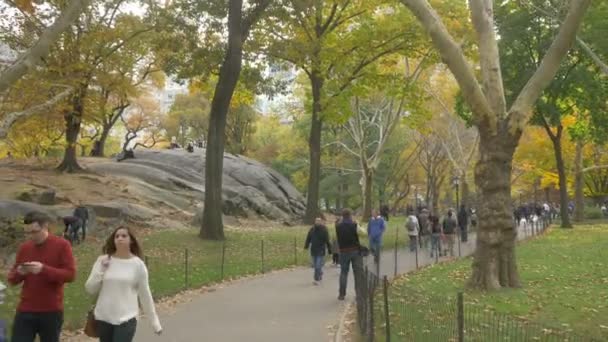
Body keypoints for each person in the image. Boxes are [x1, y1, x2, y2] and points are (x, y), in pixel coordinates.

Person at [7, 211, 76, 342]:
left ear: (45, 226)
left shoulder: (62, 245)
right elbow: (11, 279)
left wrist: (43, 270)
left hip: (51, 311)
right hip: (25, 309)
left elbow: (70, 275)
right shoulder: (24, 248)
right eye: (27, 232)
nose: (31, 236)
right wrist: (20, 273)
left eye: (34, 231)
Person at [85, 226, 162, 341]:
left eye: (124, 236)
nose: (120, 238)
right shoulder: (103, 260)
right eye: (117, 236)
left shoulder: (138, 265)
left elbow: (145, 295)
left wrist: (155, 322)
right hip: (104, 318)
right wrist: (101, 269)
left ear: (131, 240)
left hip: (127, 319)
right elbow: (90, 288)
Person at [335, 208, 363, 301]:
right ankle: (359, 294)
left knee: (343, 273)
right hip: (355, 250)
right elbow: (364, 233)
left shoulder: (338, 226)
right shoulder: (354, 225)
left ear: (342, 216)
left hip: (343, 251)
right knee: (358, 273)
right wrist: (358, 223)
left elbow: (337, 224)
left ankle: (342, 294)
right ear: (350, 215)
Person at [304, 218, 332, 285]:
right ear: (315, 222)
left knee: (318, 265)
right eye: (316, 221)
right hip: (313, 250)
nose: (317, 222)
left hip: (321, 250)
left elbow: (327, 240)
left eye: (319, 221)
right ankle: (320, 272)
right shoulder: (312, 229)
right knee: (314, 265)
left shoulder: (324, 229)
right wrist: (306, 246)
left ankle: (316, 279)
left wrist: (329, 249)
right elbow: (308, 238)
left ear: (321, 222)